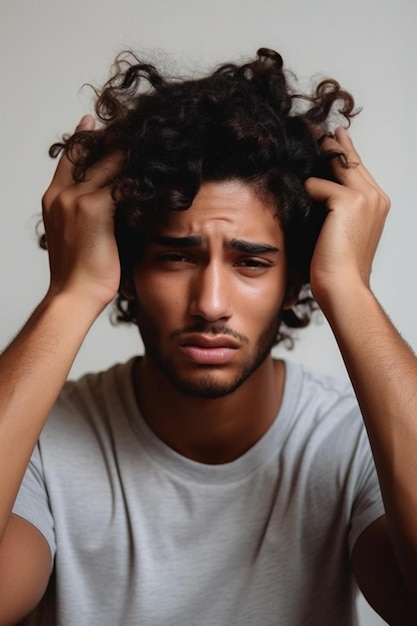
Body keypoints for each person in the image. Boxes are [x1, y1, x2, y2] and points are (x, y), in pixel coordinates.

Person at [0, 47, 415, 626]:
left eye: (251, 263)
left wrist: (349, 288)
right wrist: (70, 294)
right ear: (125, 271)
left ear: (296, 282)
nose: (211, 305)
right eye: (175, 257)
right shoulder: (40, 442)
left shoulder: (354, 442)